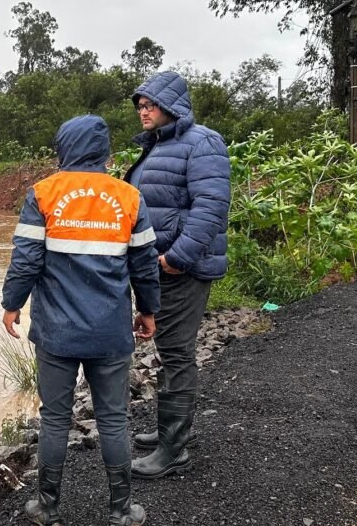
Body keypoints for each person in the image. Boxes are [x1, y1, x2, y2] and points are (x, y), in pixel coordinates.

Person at [1, 114, 161, 526]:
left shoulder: (43, 194)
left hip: (56, 332)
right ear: (105, 152)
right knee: (113, 418)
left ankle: (48, 507)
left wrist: (12, 303)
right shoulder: (128, 197)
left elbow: (26, 260)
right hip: (109, 331)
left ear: (64, 148)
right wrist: (147, 310)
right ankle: (122, 511)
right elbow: (144, 264)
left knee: (54, 418)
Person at [125, 71, 231, 480]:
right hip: (160, 266)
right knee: (169, 349)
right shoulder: (159, 145)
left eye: (149, 104)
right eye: (140, 106)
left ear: (171, 105)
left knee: (176, 352)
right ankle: (173, 430)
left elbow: (210, 208)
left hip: (181, 268)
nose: (143, 112)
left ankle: (174, 449)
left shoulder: (202, 142)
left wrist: (175, 259)